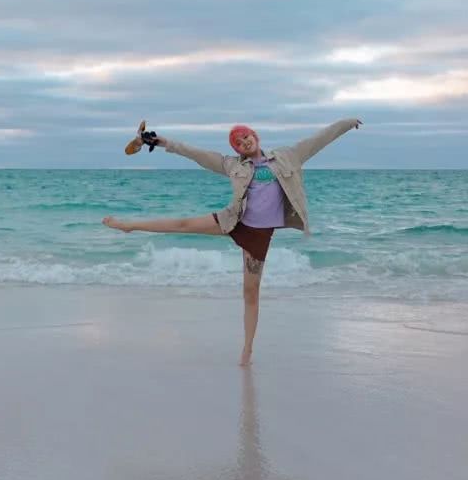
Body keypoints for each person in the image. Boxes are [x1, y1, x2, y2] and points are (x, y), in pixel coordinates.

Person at [103, 118, 362, 365]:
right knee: (183, 224)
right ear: (237, 149)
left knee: (250, 293)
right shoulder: (233, 165)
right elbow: (196, 154)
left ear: (255, 136)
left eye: (245, 136)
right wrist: (163, 142)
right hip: (234, 221)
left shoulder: (287, 157)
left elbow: (319, 139)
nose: (244, 142)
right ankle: (129, 226)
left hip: (259, 235)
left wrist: (347, 124)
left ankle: (247, 347)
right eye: (238, 142)